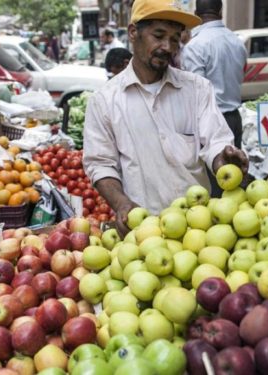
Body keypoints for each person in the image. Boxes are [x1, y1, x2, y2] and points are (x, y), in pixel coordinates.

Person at [83, 0, 249, 234]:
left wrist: (222, 159)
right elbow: (100, 163)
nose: (168, 47)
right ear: (133, 33)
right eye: (158, 35)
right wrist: (121, 203)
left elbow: (215, 140)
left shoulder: (197, 89)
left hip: (198, 227)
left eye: (175, 39)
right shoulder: (105, 101)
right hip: (143, 229)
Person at [181, 0, 247, 149]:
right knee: (233, 169)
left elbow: (195, 92)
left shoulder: (195, 46)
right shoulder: (237, 41)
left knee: (212, 171)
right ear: (221, 12)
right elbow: (243, 72)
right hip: (234, 118)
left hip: (211, 122)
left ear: (196, 15)